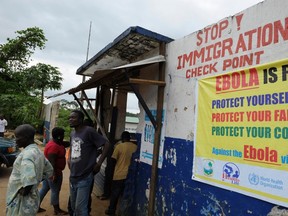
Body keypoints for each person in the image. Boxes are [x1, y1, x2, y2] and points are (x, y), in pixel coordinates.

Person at [68, 110, 110, 216]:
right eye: (70, 117)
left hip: (85, 176)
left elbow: (107, 144)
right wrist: (69, 159)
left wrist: (99, 163)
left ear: (81, 119)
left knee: (80, 209)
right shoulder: (72, 133)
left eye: (74, 117)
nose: (70, 120)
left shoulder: (88, 131)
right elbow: (73, 149)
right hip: (73, 176)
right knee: (73, 208)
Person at [6, 124, 53, 216]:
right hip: (32, 198)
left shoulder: (27, 155)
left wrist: (26, 189)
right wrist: (37, 180)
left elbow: (29, 178)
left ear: (26, 138)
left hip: (22, 201)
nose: (15, 140)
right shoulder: (38, 151)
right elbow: (49, 170)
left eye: (17, 137)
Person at [105, 131, 137, 215]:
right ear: (129, 138)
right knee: (126, 196)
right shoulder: (135, 147)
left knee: (115, 195)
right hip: (130, 175)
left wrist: (110, 174)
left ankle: (111, 211)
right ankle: (123, 212)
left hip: (119, 175)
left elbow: (112, 160)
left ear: (122, 138)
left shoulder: (119, 147)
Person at [38, 127, 69, 215]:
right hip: (54, 172)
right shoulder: (53, 146)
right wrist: (53, 175)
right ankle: (57, 210)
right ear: (59, 136)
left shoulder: (55, 143)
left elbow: (64, 144)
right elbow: (52, 163)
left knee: (44, 188)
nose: (63, 136)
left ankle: (36, 206)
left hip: (49, 172)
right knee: (55, 190)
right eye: (62, 135)